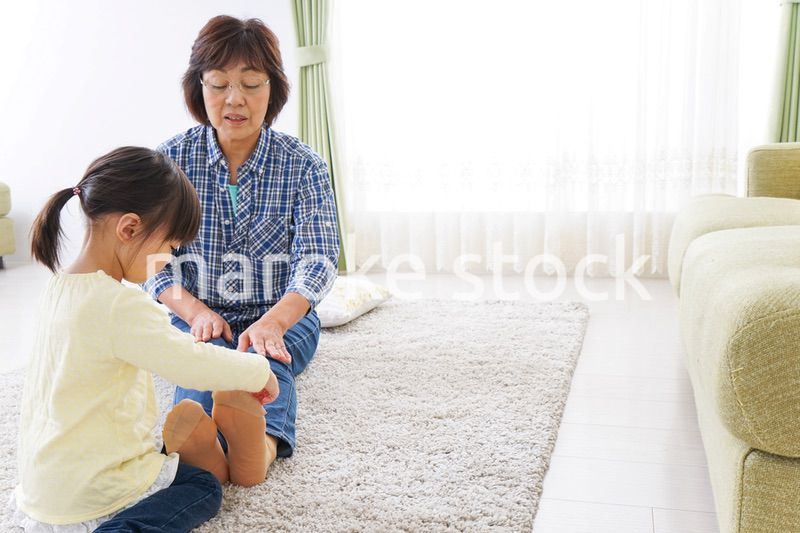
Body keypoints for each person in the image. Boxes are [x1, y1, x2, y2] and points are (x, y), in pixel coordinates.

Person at [11, 146, 280, 532]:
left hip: (42, 492)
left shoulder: (57, 289)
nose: (168, 261)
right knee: (201, 487)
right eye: (169, 248)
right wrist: (258, 370)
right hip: (91, 496)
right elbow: (189, 360)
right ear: (130, 229)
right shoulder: (118, 305)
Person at [142, 15, 340, 486]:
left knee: (266, 359)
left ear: (273, 89)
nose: (235, 100)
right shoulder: (168, 162)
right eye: (219, 85)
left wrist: (274, 320)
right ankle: (200, 444)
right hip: (196, 310)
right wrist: (192, 312)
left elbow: (318, 259)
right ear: (198, 88)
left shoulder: (304, 164)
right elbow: (153, 259)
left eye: (251, 84)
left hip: (283, 312)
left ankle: (261, 449)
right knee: (201, 358)